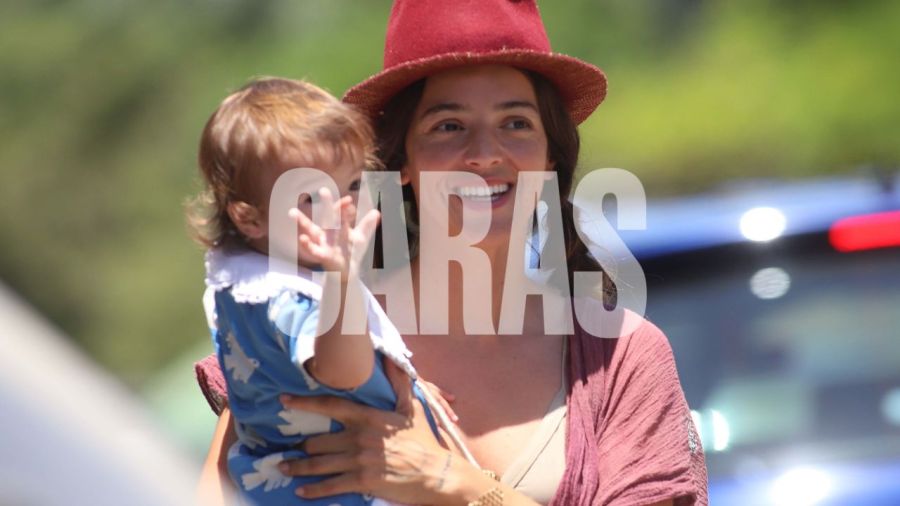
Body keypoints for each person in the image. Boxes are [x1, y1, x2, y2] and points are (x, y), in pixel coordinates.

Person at [196, 1, 709, 505]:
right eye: (448, 126)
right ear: (400, 160)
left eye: (516, 123)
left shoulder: (620, 355)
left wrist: (453, 484)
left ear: (549, 155)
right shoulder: (298, 326)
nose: (485, 153)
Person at [189, 76, 463, 505]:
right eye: (310, 199)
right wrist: (342, 282)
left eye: (352, 185)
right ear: (249, 218)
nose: (343, 210)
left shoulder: (247, 283)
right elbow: (343, 371)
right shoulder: (285, 298)